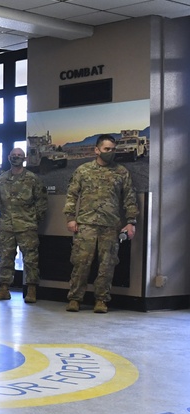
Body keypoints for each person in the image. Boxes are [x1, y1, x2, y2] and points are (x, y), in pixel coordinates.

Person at [64, 134, 137, 313]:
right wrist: (70, 218)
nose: (110, 152)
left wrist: (131, 222)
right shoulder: (83, 170)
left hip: (110, 226)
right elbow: (72, 195)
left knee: (107, 265)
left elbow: (129, 198)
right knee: (81, 263)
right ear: (97, 150)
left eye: (113, 149)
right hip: (86, 225)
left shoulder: (121, 172)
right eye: (106, 149)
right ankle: (75, 299)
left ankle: (101, 300)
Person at [0, 147, 47, 304]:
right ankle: (4, 289)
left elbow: (41, 202)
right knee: (5, 258)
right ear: (9, 157)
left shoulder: (32, 179)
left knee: (30, 259)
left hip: (27, 226)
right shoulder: (2, 179)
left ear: (25, 158)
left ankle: (31, 290)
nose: (16, 157)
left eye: (19, 156)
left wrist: (33, 220)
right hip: (6, 226)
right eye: (14, 155)